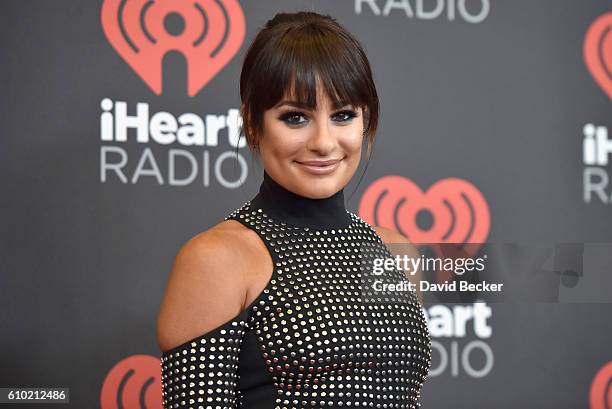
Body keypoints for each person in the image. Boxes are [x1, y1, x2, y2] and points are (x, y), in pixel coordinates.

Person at [156, 10, 432, 409]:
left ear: (365, 123)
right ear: (253, 124)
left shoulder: (399, 253)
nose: (324, 141)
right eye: (296, 117)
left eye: (342, 115)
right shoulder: (217, 260)